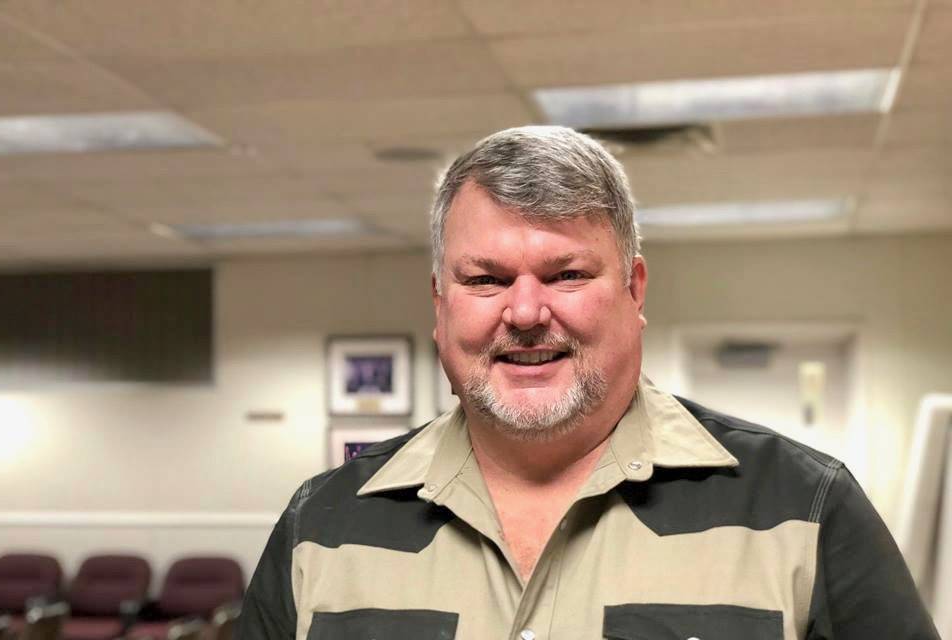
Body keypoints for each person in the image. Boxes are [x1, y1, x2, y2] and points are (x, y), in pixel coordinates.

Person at [235, 127, 938, 639]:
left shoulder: (804, 509)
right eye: (485, 280)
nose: (526, 313)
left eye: (567, 275)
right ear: (440, 305)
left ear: (633, 289)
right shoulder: (320, 526)